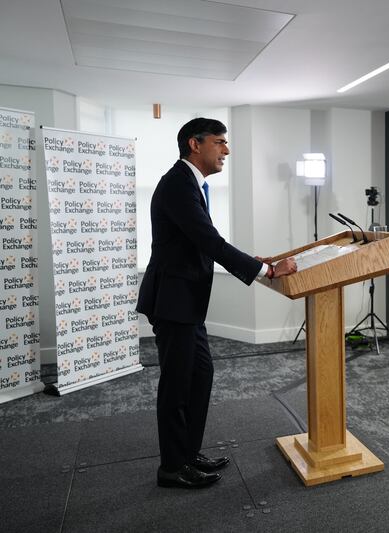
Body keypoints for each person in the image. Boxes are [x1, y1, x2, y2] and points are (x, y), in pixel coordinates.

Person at [137, 118, 297, 489]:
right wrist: (267, 271)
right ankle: (172, 468)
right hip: (173, 302)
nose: (226, 150)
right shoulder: (178, 183)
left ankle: (188, 454)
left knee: (200, 375)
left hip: (187, 303)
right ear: (195, 144)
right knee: (177, 385)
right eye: (220, 142)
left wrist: (258, 261)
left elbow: (201, 241)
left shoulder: (191, 184)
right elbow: (209, 240)